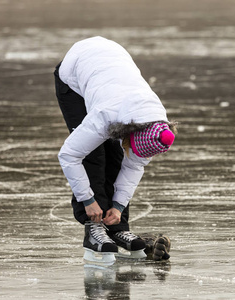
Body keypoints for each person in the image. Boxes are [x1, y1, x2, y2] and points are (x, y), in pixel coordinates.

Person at [54, 36, 176, 263]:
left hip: (109, 73)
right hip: (74, 77)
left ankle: (116, 225)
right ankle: (94, 228)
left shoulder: (155, 125)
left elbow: (134, 164)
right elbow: (69, 155)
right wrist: (88, 201)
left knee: (118, 155)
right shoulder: (105, 116)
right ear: (131, 131)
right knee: (94, 154)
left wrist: (118, 206)